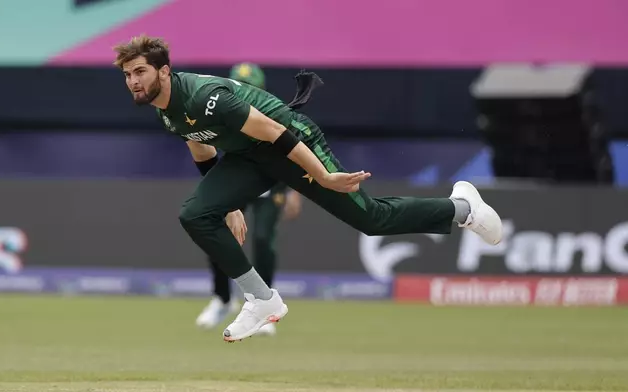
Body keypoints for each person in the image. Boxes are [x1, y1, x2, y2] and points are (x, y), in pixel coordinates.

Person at [112, 35, 503, 343]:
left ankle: (462, 208)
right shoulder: (167, 111)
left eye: (140, 72)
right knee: (195, 213)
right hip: (250, 157)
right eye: (128, 74)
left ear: (164, 72)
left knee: (372, 219)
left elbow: (274, 130)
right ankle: (262, 299)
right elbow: (198, 142)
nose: (133, 81)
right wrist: (225, 203)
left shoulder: (205, 98)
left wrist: (324, 176)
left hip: (292, 141)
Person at [195, 63, 302, 337]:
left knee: (264, 239)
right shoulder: (221, 112)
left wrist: (295, 189)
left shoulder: (273, 110)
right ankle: (222, 299)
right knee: (215, 232)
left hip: (272, 182)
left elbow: (294, 147)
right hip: (237, 181)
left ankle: (265, 306)